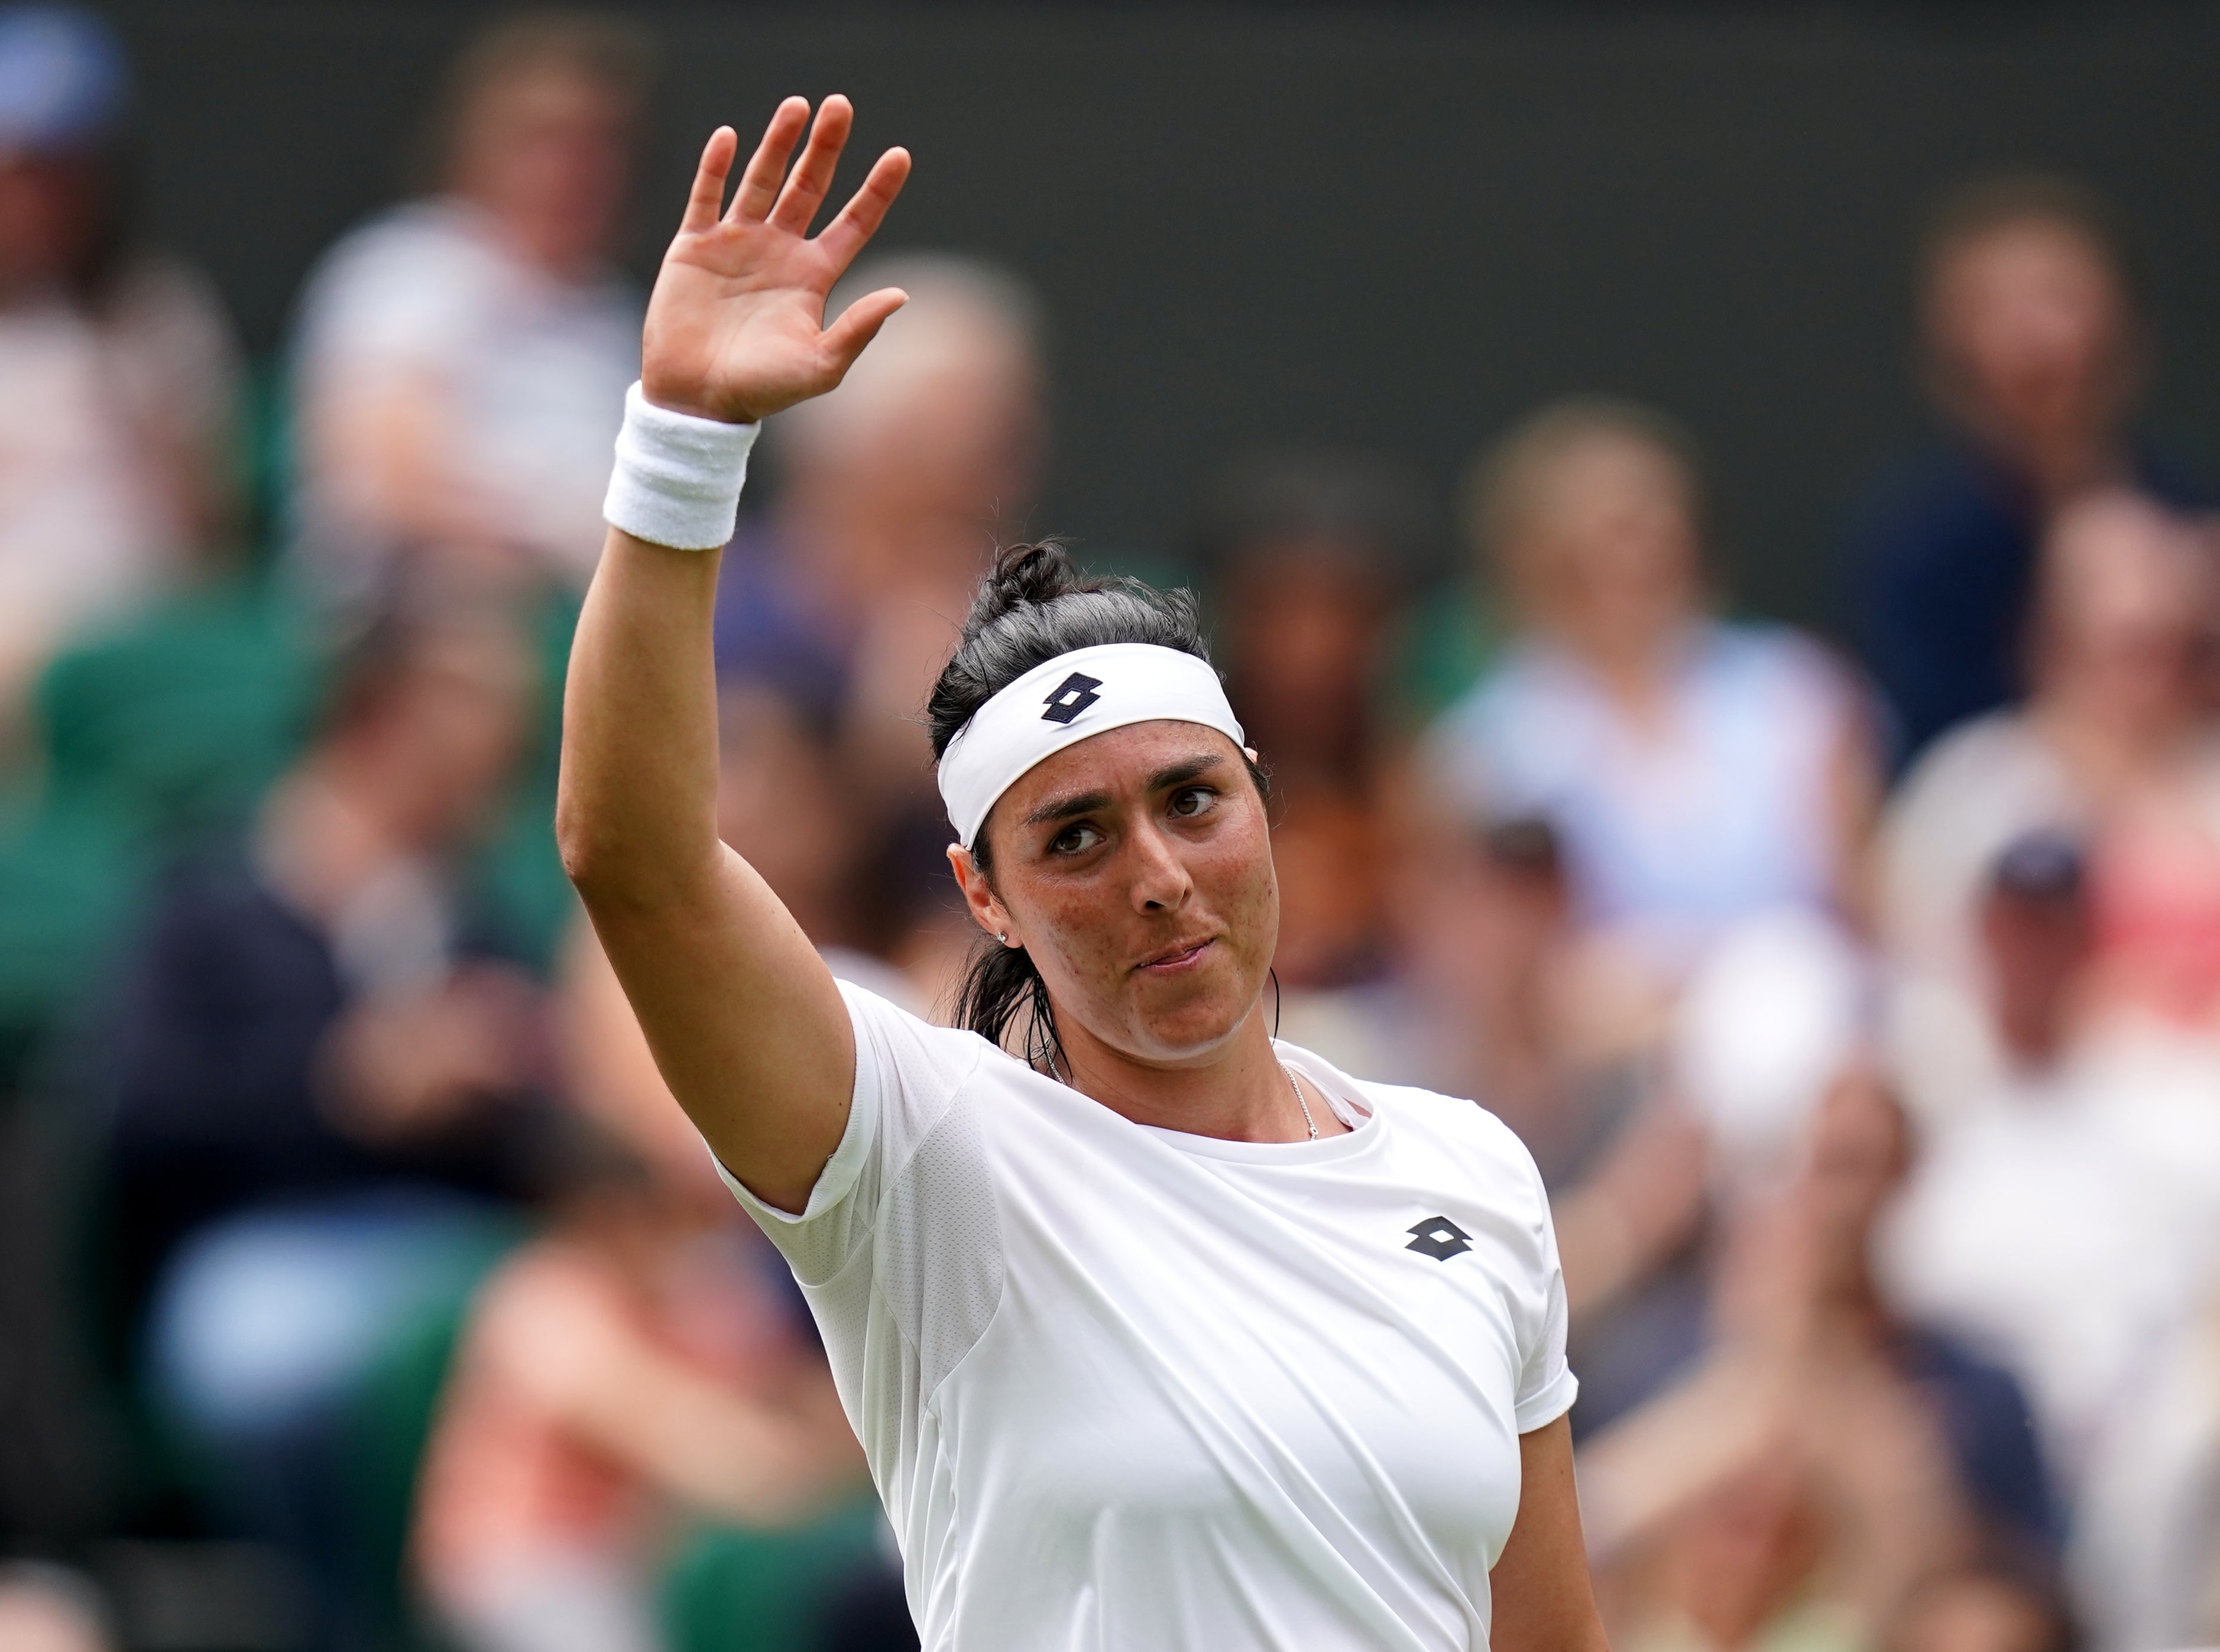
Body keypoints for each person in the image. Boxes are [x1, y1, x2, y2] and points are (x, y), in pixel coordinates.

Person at [559, 96, 1606, 1650]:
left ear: (1264, 800)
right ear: (984, 894)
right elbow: (632, 860)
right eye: (1075, 836)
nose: (1160, 875)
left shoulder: (1472, 1177)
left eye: (1191, 800)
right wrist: (683, 442)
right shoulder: (923, 1158)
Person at [1425, 398, 1877, 981]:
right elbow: (1485, 960)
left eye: (1658, 522)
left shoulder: (1796, 690)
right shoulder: (1487, 743)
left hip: (1794, 1002)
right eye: (1615, 529)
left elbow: (1858, 902)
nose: (1639, 553)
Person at [289, 12, 652, 610]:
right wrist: (562, 543)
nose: (571, 171)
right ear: (477, 146)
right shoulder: (406, 268)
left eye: (598, 147)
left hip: (592, 610)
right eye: (544, 142)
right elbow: (391, 486)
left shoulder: (618, 313)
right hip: (415, 612)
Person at [1877, 491, 2219, 1120]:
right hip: (2033, 1122)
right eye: (2126, 648)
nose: (2152, 678)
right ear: (2049, 640)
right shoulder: (1976, 788)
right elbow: (1928, 996)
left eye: (2176, 648)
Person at [1848, 175, 2208, 764]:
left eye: (2057, 297)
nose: (2032, 336)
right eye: (1993, 306)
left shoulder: (2191, 508)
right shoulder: (1912, 549)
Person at [0, 3, 242, 737]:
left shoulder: (156, 313)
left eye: (68, 173)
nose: (46, 202)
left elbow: (211, 537)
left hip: (138, 631)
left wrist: (144, 428)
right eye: (25, 173)